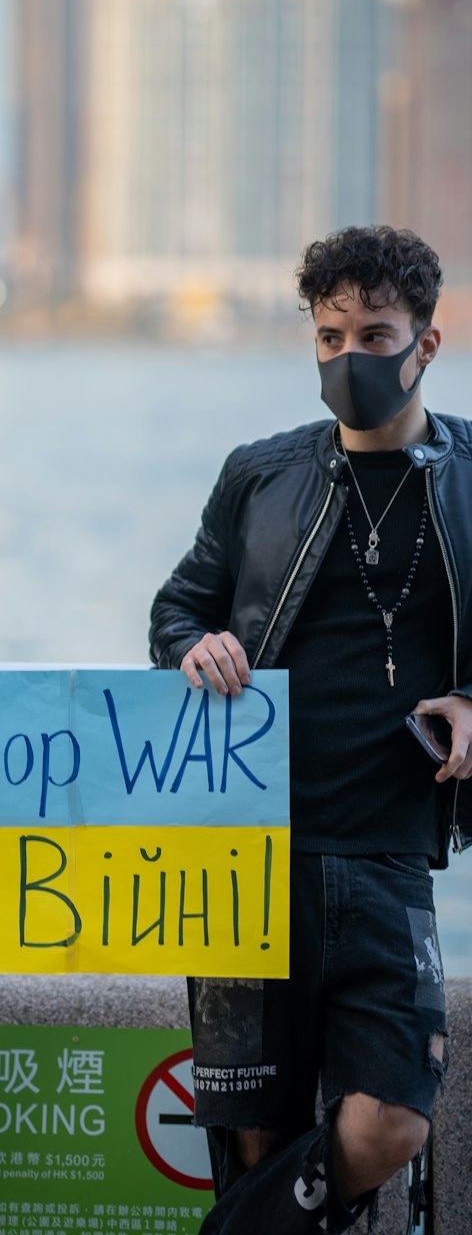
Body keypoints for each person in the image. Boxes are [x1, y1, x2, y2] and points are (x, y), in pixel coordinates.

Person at [149, 226, 472, 1233]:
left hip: (384, 854)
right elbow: (174, 610)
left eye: (375, 334)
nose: (349, 359)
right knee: (249, 1133)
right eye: (329, 337)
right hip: (249, 854)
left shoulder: (469, 478)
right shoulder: (260, 474)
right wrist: (194, 646)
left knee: (392, 1125)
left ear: (424, 342)